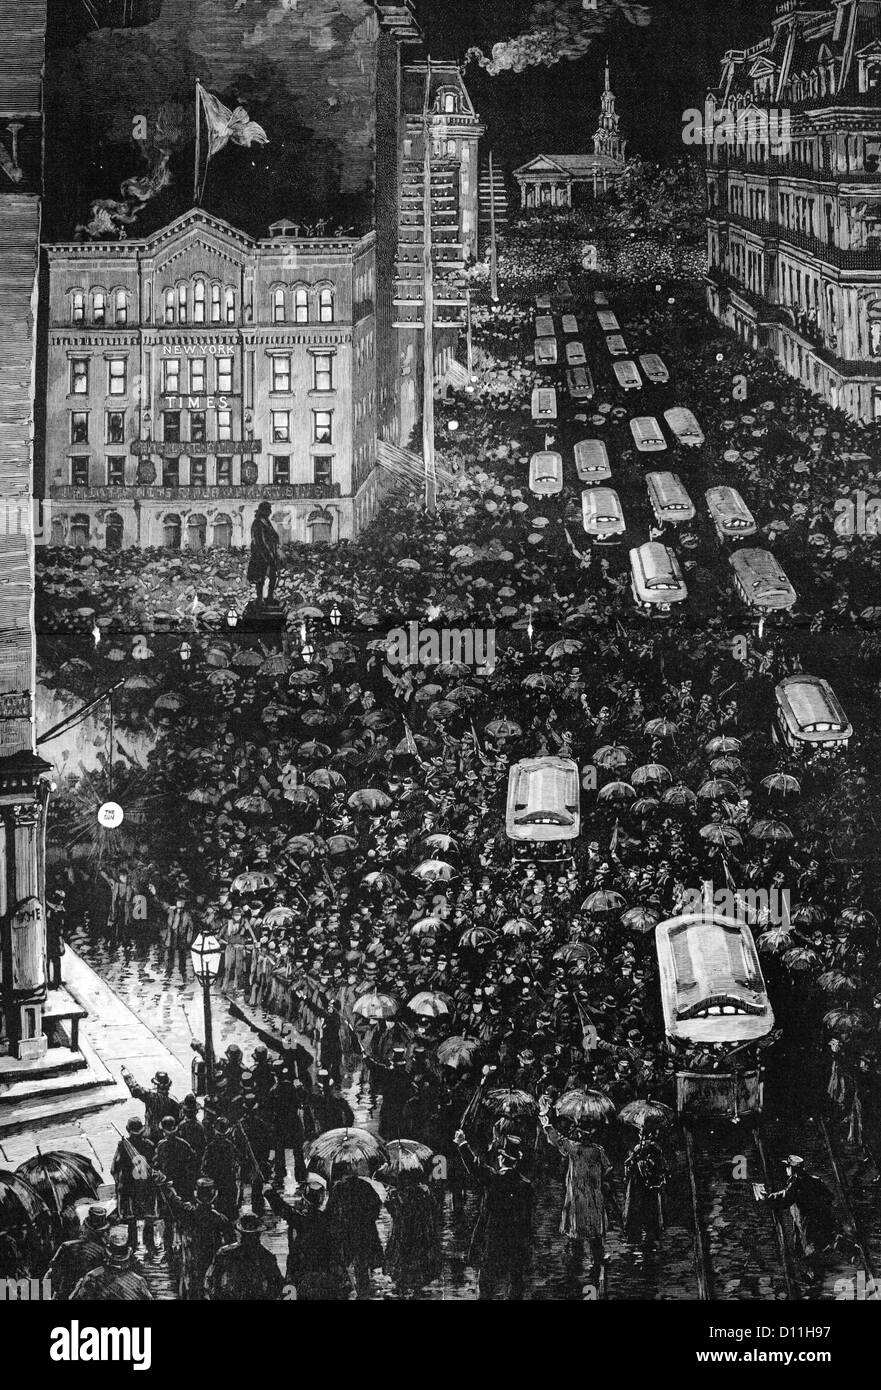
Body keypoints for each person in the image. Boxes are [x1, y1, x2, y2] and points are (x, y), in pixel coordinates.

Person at [538, 1098, 615, 1282]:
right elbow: (609, 1168)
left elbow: (555, 1138)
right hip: (593, 1195)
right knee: (593, 1228)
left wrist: (544, 1118)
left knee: (576, 1226)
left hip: (578, 1194)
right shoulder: (597, 1150)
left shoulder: (573, 1148)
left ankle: (577, 1260)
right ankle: (595, 1258)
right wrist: (604, 1182)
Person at [454, 1128, 535, 1301]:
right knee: (516, 1286)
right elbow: (527, 1221)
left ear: (500, 1158)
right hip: (516, 1243)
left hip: (492, 1240)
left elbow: (474, 1167)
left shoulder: (493, 1179)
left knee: (486, 1286)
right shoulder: (526, 1186)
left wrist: (462, 1143)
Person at [264, 1176, 349, 1300]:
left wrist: (268, 1191)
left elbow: (282, 1208)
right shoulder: (331, 1221)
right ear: (323, 1200)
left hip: (303, 1277)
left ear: (305, 1200)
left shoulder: (300, 1219)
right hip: (326, 1278)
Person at [756, 1155, 839, 1281]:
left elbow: (784, 1199)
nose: (786, 1170)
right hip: (816, 1218)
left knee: (809, 1247)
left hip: (806, 1220)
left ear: (792, 1169)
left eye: (787, 1167)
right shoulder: (815, 1180)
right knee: (807, 1245)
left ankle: (814, 1275)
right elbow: (829, 1197)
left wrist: (766, 1198)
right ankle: (812, 1273)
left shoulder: (796, 1183)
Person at [153, 1174, 234, 1301]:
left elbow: (173, 1201)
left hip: (191, 1267)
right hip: (213, 1266)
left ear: (196, 1195)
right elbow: (231, 1244)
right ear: (215, 1196)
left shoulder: (188, 1213)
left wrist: (164, 1185)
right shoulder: (220, 1219)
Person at [325, 1173, 385, 1296]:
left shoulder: (338, 1188)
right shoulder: (365, 1185)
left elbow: (330, 1212)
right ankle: (363, 1290)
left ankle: (354, 1289)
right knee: (362, 1263)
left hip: (346, 1232)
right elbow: (377, 1205)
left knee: (347, 1261)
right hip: (364, 1232)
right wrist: (368, 1219)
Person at [205, 1210, 285, 1301]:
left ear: (240, 1233)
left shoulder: (225, 1252)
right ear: (259, 1234)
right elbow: (277, 1285)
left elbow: (211, 1281)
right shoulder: (266, 1256)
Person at [384, 1167, 440, 1297]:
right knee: (418, 1266)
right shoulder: (423, 1193)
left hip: (402, 1234)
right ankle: (416, 1289)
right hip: (420, 1235)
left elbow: (394, 1212)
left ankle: (402, 1288)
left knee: (402, 1265)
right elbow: (434, 1209)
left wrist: (390, 1199)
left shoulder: (398, 1194)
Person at [111, 1117, 158, 1258]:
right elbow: (155, 1166)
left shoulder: (122, 1146)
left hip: (129, 1189)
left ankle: (131, 1251)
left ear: (128, 1130)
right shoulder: (149, 1145)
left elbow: (114, 1168)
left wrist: (119, 1185)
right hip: (147, 1188)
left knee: (131, 1222)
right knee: (148, 1219)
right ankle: (151, 1250)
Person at [154, 1115, 198, 1262]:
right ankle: (181, 1250)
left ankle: (171, 1251)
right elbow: (194, 1165)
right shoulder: (184, 1144)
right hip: (181, 1188)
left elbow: (156, 1166)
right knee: (181, 1220)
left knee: (169, 1222)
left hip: (171, 1189)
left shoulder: (161, 1145)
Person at [45, 1205, 111, 1301]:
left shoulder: (66, 1246)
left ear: (84, 1228)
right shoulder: (103, 1253)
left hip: (64, 1289)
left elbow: (51, 1270)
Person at [68, 1230, 154, 1302]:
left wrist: (78, 1286)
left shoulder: (93, 1276)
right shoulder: (138, 1281)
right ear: (128, 1257)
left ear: (106, 1255)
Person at [623, 1123, 668, 1243]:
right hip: (638, 1182)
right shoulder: (638, 1148)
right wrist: (633, 1161)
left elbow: (661, 1167)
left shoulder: (655, 1148)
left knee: (650, 1208)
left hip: (650, 1183)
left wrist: (648, 1162)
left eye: (644, 1133)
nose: (642, 1136)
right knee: (637, 1206)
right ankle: (636, 1232)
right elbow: (630, 1163)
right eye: (640, 1133)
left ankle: (651, 1233)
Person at [120, 1067, 181, 1143]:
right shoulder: (174, 1101)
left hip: (151, 1135)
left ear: (156, 1085)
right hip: (167, 1137)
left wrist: (128, 1077)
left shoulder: (152, 1097)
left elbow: (136, 1090)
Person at [200, 1115, 240, 1222]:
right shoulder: (230, 1145)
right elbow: (236, 1164)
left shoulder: (211, 1146)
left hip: (215, 1180)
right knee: (229, 1209)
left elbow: (204, 1165)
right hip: (228, 1181)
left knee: (217, 1207)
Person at [248, 502, 280, 608]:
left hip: (270, 553)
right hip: (261, 555)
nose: (270, 512)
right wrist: (269, 554)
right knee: (260, 578)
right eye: (268, 509)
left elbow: (273, 535)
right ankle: (260, 598)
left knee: (273, 576)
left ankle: (270, 597)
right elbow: (261, 541)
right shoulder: (258, 523)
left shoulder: (266, 521)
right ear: (263, 511)